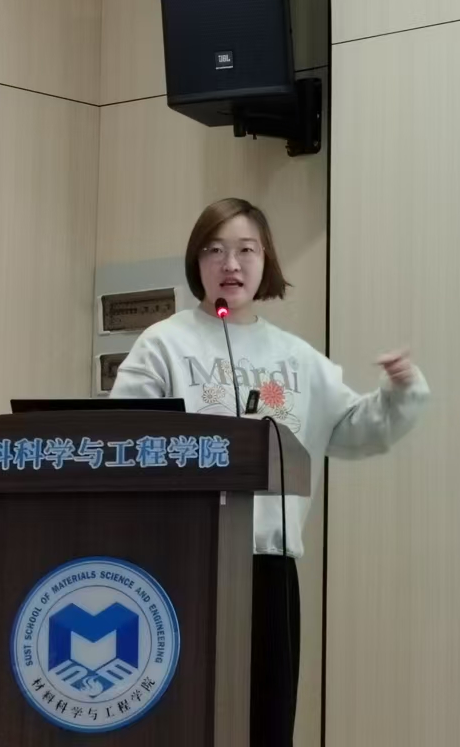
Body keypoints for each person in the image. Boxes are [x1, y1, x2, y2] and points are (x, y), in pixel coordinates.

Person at [110, 197, 429, 746]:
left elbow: (353, 428)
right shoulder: (163, 343)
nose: (230, 264)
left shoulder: (297, 358)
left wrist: (399, 393)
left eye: (246, 250)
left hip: (268, 569)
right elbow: (124, 437)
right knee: (179, 721)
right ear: (196, 261)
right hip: (180, 559)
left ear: (266, 262)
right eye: (214, 250)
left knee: (266, 723)